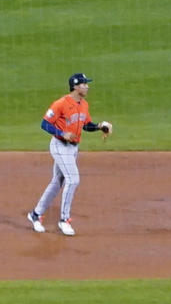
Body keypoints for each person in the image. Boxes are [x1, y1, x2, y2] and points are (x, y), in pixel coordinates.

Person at [27, 73, 112, 236]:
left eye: (87, 84)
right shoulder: (61, 103)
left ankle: (35, 214)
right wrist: (61, 133)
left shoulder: (84, 104)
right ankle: (64, 220)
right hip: (60, 146)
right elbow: (44, 123)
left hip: (73, 149)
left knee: (57, 182)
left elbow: (86, 125)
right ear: (75, 86)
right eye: (84, 84)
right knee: (73, 179)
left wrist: (99, 126)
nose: (87, 86)